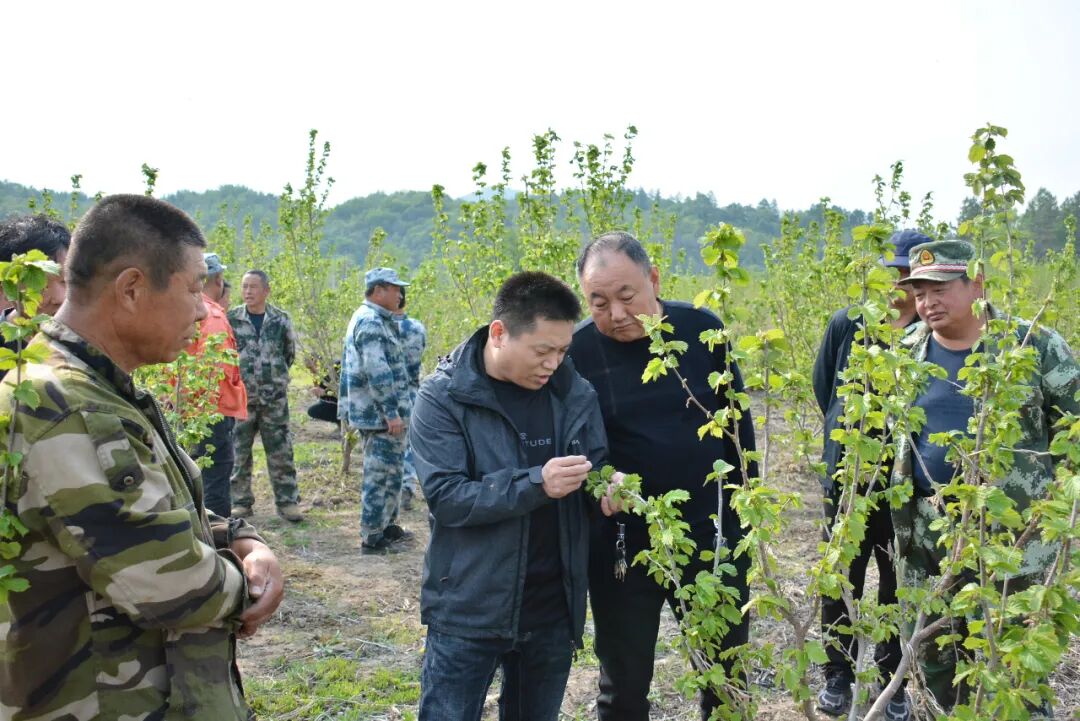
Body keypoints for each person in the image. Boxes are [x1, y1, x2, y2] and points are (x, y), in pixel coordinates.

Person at [0, 194, 283, 720]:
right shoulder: (66, 404)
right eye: (195, 289)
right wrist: (253, 583)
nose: (204, 309)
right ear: (131, 288)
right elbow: (168, 583)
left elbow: (148, 506)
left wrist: (240, 538)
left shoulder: (99, 388)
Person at [568, 231, 756, 721]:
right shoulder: (578, 353)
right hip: (622, 542)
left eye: (627, 296)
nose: (616, 314)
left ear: (653, 279)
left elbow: (738, 432)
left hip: (710, 531)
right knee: (623, 683)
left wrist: (742, 517)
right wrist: (598, 481)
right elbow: (570, 442)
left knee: (726, 670)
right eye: (599, 302)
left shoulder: (702, 331)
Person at [410, 271, 610, 721]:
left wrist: (603, 486)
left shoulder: (573, 392)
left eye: (562, 351)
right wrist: (536, 483)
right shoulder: (444, 398)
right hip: (469, 606)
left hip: (552, 607)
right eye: (542, 351)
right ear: (499, 333)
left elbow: (594, 463)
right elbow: (447, 496)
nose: (553, 363)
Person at [891, 239, 1080, 712]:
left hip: (1015, 539)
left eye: (938, 289)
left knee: (1013, 663)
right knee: (934, 657)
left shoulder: (1031, 345)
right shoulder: (906, 352)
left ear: (976, 284)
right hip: (926, 535)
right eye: (918, 292)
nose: (926, 302)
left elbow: (1074, 426)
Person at [811, 229, 924, 720]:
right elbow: (824, 390)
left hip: (910, 487)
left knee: (898, 582)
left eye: (911, 274)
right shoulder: (848, 323)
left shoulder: (932, 329)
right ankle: (837, 674)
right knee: (841, 577)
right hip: (850, 480)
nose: (900, 282)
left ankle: (891, 680)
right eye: (893, 271)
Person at [339, 267, 414, 553]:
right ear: (379, 290)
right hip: (379, 416)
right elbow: (377, 370)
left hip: (385, 414)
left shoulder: (381, 320)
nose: (400, 294)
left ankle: (387, 525)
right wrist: (391, 412)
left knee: (392, 472)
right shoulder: (370, 321)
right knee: (378, 475)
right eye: (395, 288)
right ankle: (372, 535)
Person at [228, 269, 303, 522]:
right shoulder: (232, 319)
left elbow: (289, 354)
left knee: (280, 451)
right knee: (239, 452)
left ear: (266, 291)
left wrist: (274, 377)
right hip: (241, 399)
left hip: (274, 399)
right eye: (244, 286)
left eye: (253, 287)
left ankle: (287, 502)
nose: (248, 292)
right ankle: (240, 502)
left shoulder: (280, 320)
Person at [186, 252, 248, 518]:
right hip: (213, 410)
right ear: (219, 280)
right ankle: (218, 542)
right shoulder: (212, 315)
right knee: (215, 481)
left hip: (192, 410)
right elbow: (216, 368)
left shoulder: (187, 310)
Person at [0, 214, 70, 343]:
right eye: (40, 286)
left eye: (66, 281)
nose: (60, 298)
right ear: (6, 287)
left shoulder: (88, 343)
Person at [395, 287, 427, 510]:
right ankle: (407, 486)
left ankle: (395, 488)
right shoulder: (416, 328)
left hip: (387, 394)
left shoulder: (380, 327)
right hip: (412, 392)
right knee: (409, 445)